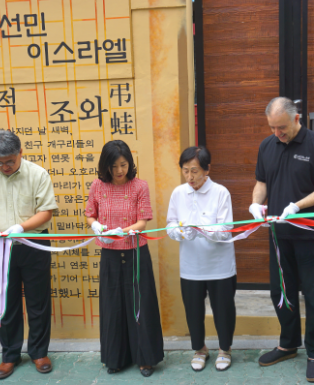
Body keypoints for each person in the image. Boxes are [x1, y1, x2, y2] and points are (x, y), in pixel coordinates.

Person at [250, 97, 314, 383]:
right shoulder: (267, 146)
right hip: (279, 235)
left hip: (310, 235)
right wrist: (255, 203)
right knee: (281, 292)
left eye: (282, 127)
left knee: (313, 296)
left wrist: (298, 205)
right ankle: (288, 344)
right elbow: (261, 181)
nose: (278, 133)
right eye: (273, 128)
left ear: (297, 118)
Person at [0, 130, 58, 379]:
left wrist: (22, 227)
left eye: (10, 162)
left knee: (38, 302)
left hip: (33, 243)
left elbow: (46, 211)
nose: (5, 167)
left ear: (20, 154)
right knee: (5, 303)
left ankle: (39, 352)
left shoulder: (38, 174)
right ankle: (10, 355)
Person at [85, 140, 164, 377]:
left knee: (140, 304)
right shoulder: (98, 186)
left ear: (130, 163)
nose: (120, 171)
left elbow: (143, 221)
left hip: (135, 252)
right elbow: (90, 215)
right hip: (109, 254)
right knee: (113, 306)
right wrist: (97, 227)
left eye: (124, 164)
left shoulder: (140, 186)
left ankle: (145, 359)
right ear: (105, 166)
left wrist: (125, 230)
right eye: (114, 166)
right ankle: (115, 358)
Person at [166, 146, 236, 372]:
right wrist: (182, 232)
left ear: (207, 169)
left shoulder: (221, 192)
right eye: (185, 171)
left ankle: (225, 349)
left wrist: (203, 230)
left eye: (194, 171)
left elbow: (226, 229)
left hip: (219, 265)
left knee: (223, 309)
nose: (190, 177)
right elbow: (170, 225)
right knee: (193, 310)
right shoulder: (178, 193)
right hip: (191, 266)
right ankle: (200, 349)